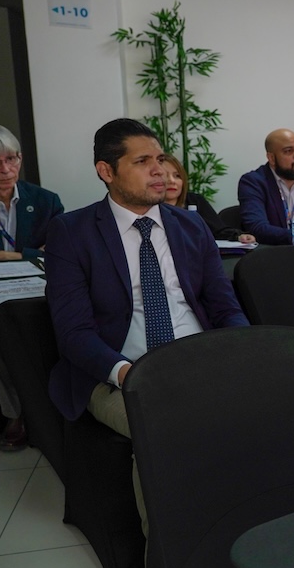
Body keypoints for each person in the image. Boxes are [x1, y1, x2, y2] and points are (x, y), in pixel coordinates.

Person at [46, 118, 249, 534]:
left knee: (270, 403)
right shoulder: (72, 232)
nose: (160, 170)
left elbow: (224, 307)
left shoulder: (191, 225)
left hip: (198, 358)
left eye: (160, 158)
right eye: (142, 162)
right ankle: (171, 556)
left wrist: (242, 351)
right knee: (166, 423)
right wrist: (129, 374)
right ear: (107, 171)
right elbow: (74, 333)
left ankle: (252, 527)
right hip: (117, 373)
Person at [0, 122, 64, 450]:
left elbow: (58, 253)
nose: (6, 169)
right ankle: (18, 412)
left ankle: (56, 407)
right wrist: (30, 253)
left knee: (57, 335)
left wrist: (0, 255)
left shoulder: (46, 201)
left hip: (36, 296)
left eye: (12, 158)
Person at [163, 154, 255, 244]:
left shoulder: (195, 200)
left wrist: (239, 236)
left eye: (177, 176)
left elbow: (218, 230)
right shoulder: (154, 208)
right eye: (164, 176)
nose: (172, 181)